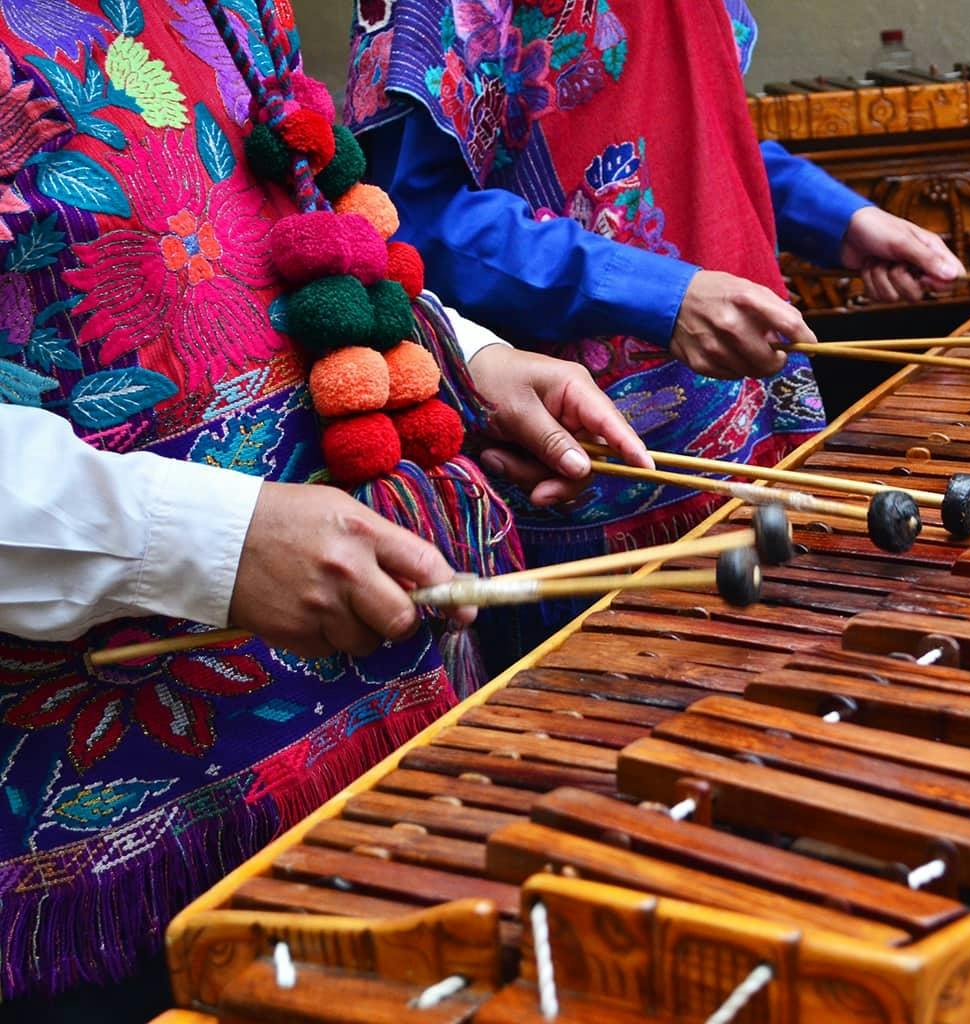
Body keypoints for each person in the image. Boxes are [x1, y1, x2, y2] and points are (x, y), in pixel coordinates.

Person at [0, 1, 646, 1015]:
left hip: (392, 751)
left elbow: (296, 234)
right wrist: (207, 542)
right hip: (115, 860)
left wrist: (470, 359)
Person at [345, 0, 965, 642]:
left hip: (766, 447)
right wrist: (658, 295)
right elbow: (403, 221)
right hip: (595, 481)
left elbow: (694, 133)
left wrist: (834, 218)